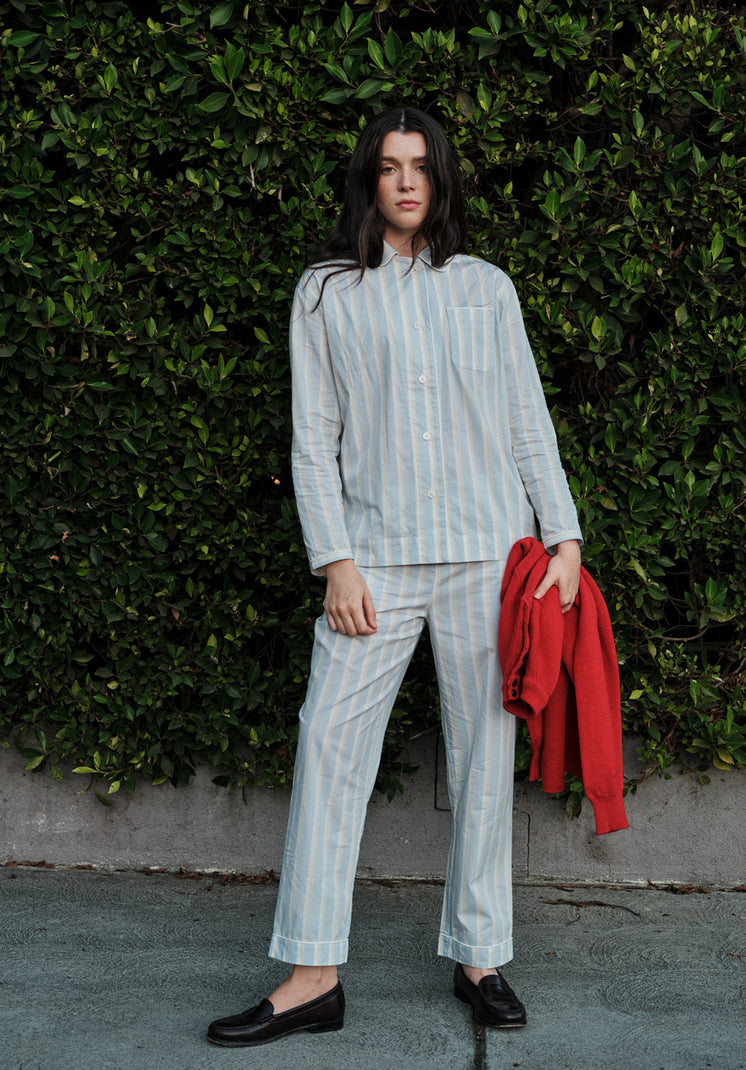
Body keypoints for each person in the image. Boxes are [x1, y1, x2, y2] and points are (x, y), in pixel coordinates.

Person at [207, 106, 582, 1048]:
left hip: (486, 554)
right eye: (388, 166)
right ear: (368, 181)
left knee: (484, 759)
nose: (406, 181)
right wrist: (332, 558)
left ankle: (481, 956)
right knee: (330, 745)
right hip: (371, 560)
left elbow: (527, 421)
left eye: (420, 166)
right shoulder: (327, 292)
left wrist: (565, 540)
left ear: (440, 179)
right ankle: (311, 974)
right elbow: (313, 435)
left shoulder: (485, 288)